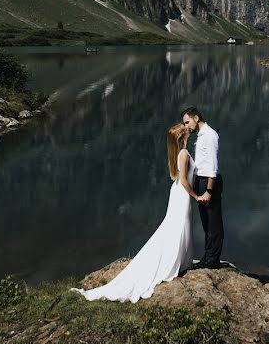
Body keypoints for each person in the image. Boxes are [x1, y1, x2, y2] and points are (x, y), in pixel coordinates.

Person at [71, 123, 200, 302]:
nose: (188, 129)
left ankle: (180, 259)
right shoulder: (184, 154)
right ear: (181, 136)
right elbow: (185, 181)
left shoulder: (177, 154)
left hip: (177, 192)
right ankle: (178, 260)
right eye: (185, 129)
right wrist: (197, 196)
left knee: (176, 225)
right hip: (183, 193)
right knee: (180, 225)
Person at [181, 107, 223, 269]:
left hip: (208, 182)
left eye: (187, 122)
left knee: (213, 221)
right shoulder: (201, 135)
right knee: (206, 221)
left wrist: (209, 191)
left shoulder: (210, 136)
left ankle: (212, 260)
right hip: (201, 181)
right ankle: (208, 256)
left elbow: (212, 165)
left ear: (196, 118)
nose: (186, 126)